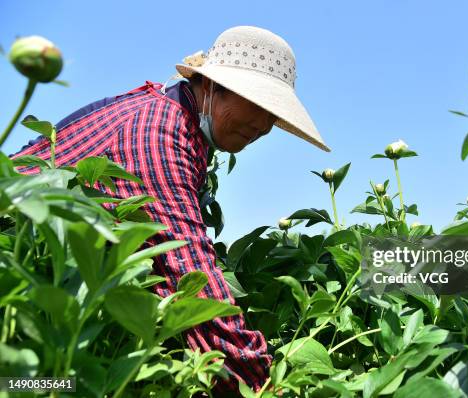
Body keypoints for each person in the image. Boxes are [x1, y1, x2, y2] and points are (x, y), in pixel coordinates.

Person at [8, 25, 330, 394]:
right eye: (256, 104)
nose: (262, 126)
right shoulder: (159, 132)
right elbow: (187, 273)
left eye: (274, 115)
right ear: (210, 86)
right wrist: (257, 381)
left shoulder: (183, 126)